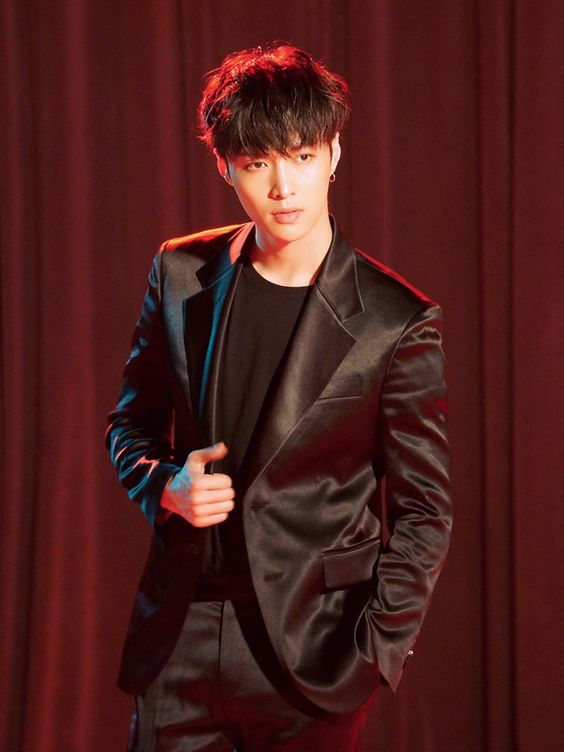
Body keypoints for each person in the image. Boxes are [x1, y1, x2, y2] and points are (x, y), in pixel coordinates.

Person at [106, 42, 452, 752]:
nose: (284, 187)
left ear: (334, 155)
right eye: (259, 163)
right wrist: (166, 486)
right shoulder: (180, 271)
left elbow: (425, 509)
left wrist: (374, 649)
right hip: (180, 636)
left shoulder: (395, 320)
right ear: (226, 166)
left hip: (316, 652)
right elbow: (130, 424)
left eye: (302, 156)